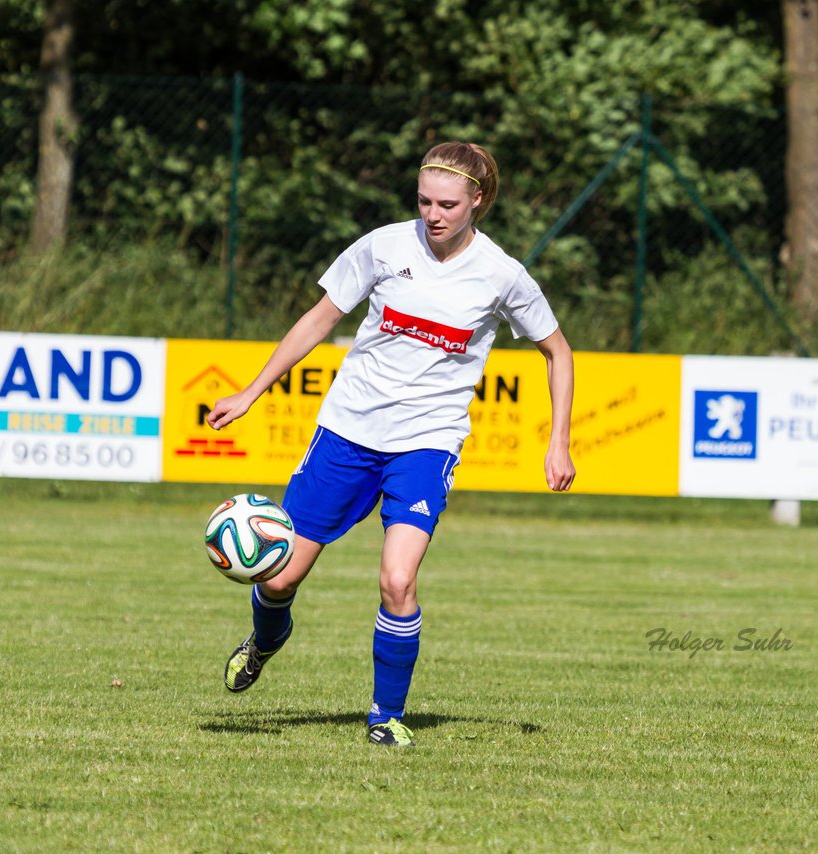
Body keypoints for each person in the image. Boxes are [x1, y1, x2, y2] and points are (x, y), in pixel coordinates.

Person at [206, 141, 575, 748]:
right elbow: (320, 318)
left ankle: (385, 717)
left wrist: (557, 442)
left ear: (478, 201)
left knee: (398, 581)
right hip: (349, 431)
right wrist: (251, 393)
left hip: (427, 443)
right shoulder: (383, 246)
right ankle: (264, 642)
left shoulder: (502, 273)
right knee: (276, 580)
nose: (433, 214)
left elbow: (557, 350)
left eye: (448, 204)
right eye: (425, 201)